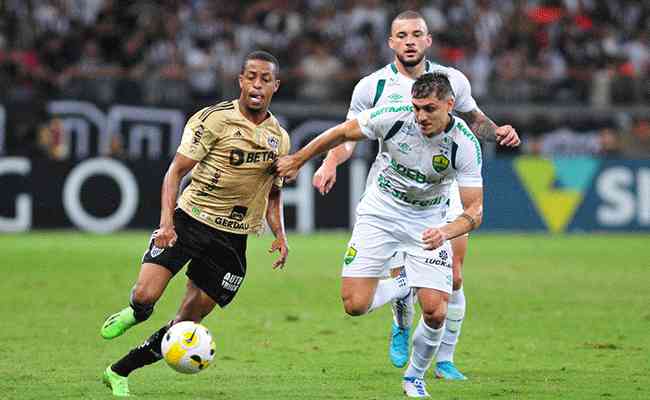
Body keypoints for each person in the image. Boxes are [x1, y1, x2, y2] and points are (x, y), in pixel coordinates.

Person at [312, 10, 520, 380]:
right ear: (391, 42)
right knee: (397, 271)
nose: (409, 41)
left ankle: (445, 359)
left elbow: (475, 121)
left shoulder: (451, 80)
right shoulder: (371, 87)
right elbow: (349, 135)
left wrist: (498, 131)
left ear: (428, 40)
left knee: (454, 276)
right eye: (402, 35)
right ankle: (400, 321)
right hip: (391, 189)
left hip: (443, 187)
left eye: (417, 34)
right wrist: (330, 163)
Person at [277, 72, 484, 398]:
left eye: (429, 109)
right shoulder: (394, 117)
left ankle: (414, 377)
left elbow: (474, 211)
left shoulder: (464, 145)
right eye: (417, 108)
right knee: (354, 305)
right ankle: (403, 286)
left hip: (429, 220)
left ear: (449, 104)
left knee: (435, 310)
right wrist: (300, 160)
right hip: (381, 213)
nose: (421, 116)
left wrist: (445, 231)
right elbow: (341, 132)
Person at [99, 51, 290, 397]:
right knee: (146, 294)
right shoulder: (213, 119)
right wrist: (166, 224)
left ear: (275, 86)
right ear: (241, 81)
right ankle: (136, 312)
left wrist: (280, 234)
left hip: (232, 241)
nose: (257, 84)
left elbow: (273, 193)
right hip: (189, 222)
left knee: (186, 324)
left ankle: (118, 371)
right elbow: (175, 172)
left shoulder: (280, 138)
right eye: (251, 77)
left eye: (265, 79)